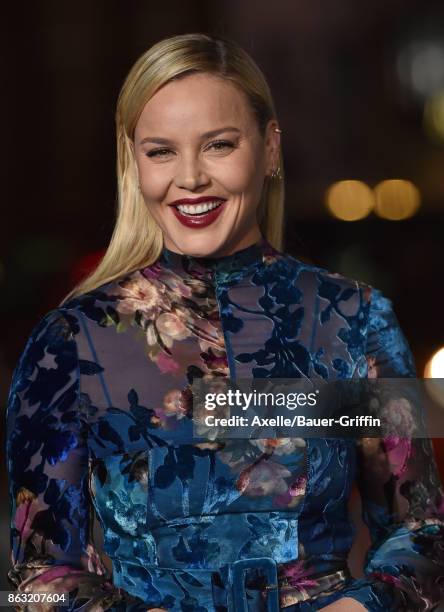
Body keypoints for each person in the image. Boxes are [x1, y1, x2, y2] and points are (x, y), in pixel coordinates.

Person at [5, 32, 444, 612]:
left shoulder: (352, 320)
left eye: (218, 145)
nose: (190, 178)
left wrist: (356, 608)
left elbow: (424, 534)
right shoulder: (74, 344)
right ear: (133, 163)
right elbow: (31, 583)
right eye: (161, 150)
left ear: (270, 147)